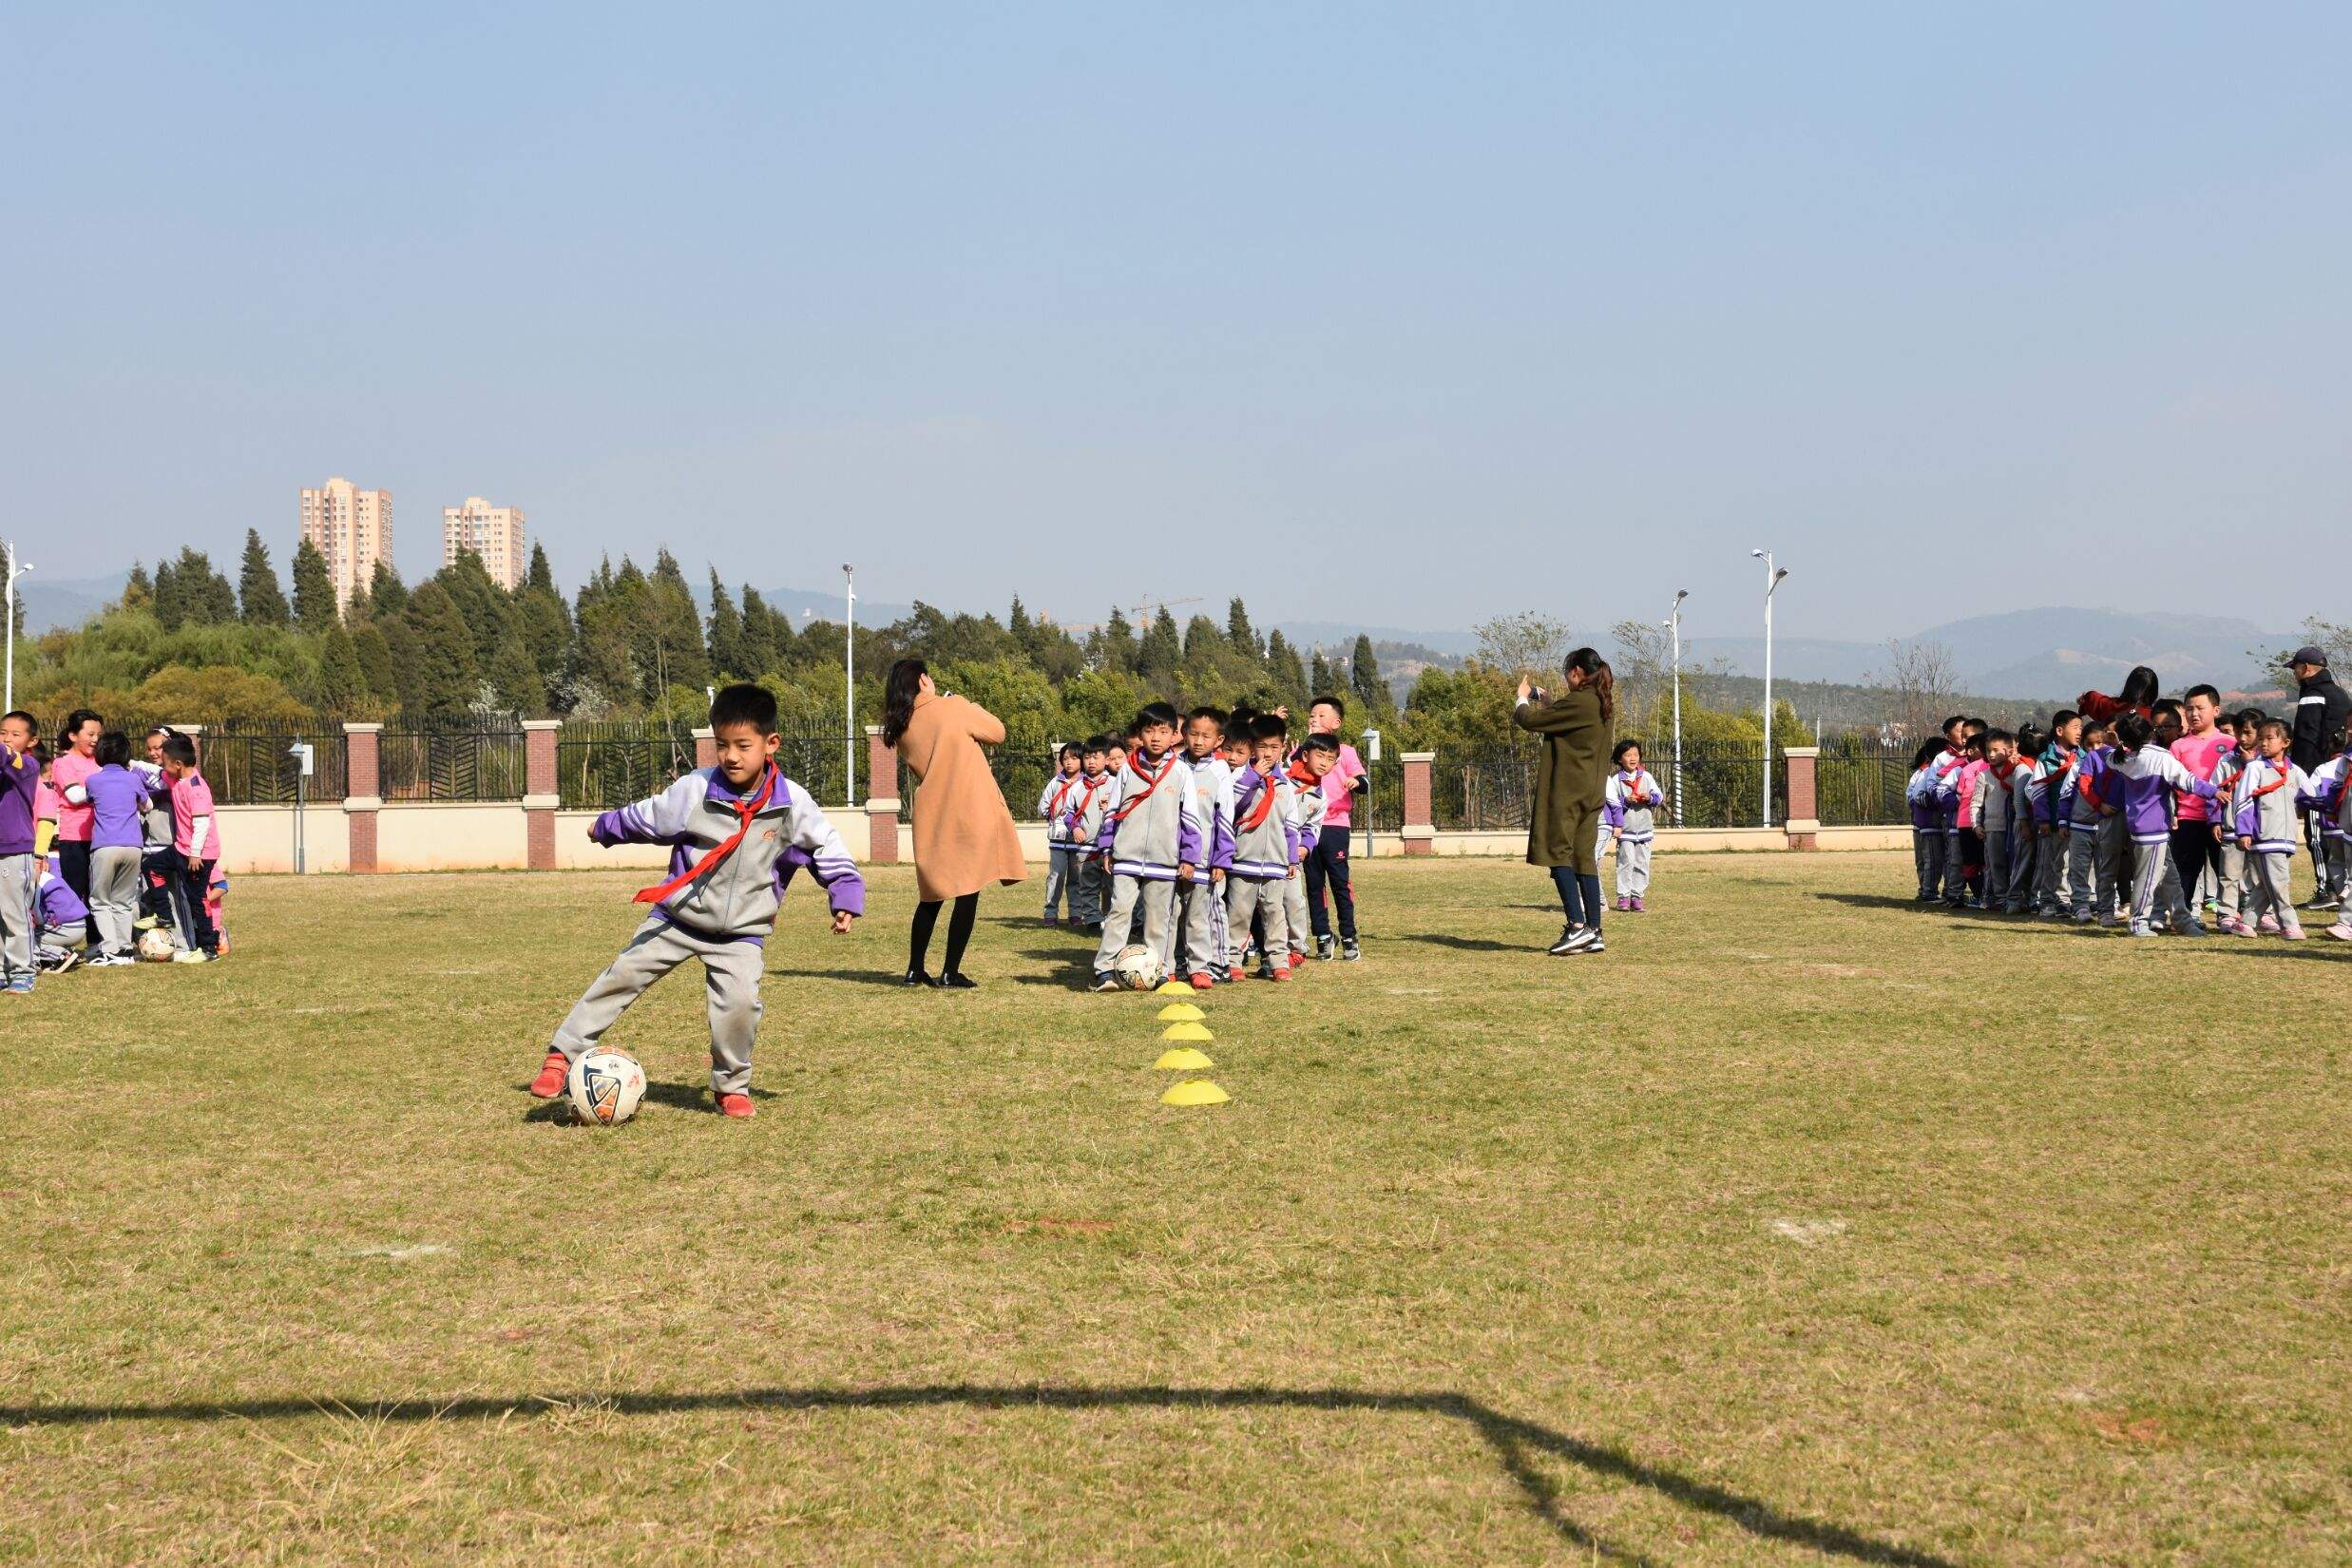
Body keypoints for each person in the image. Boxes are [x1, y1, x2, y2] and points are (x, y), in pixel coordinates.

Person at [526, 683, 863, 1119]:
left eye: (743, 745)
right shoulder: (695, 789)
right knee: (620, 976)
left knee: (739, 1007)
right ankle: (562, 1055)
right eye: (722, 745)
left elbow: (827, 849)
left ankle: (731, 1086)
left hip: (741, 935)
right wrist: (605, 828)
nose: (732, 756)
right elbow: (650, 815)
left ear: (771, 744)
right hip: (677, 918)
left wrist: (845, 897)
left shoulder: (792, 804)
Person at [884, 659, 1026, 988]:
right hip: (969, 808)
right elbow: (997, 731)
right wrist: (966, 702)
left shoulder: (902, 726)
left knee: (932, 895)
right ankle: (951, 969)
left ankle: (914, 969)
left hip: (932, 814)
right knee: (968, 891)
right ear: (923, 680)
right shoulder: (953, 707)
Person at [1088, 703, 1201, 991]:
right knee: (1119, 913)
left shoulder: (1182, 772)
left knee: (1157, 918)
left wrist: (1189, 856)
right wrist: (1106, 848)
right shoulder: (1127, 770)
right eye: (1149, 731)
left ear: (1175, 735)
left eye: (1163, 732)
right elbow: (1112, 811)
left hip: (1164, 860)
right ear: (1139, 735)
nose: (1155, 738)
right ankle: (1105, 971)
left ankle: (1159, 972)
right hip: (1126, 856)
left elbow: (1190, 818)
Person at [1515, 648, 1612, 956]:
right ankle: (1594, 931)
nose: (1566, 678)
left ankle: (1575, 925)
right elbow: (1563, 721)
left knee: (1557, 854)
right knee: (1583, 859)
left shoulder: (1581, 700)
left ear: (1578, 672)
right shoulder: (1600, 701)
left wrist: (1521, 698)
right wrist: (1547, 702)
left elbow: (1531, 721)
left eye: (1567, 673)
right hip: (1592, 794)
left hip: (1569, 792)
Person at [2107, 712, 2217, 937]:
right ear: (2150, 731)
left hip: (2141, 828)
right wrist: (2215, 792)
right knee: (2147, 880)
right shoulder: (2159, 757)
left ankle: (2183, 920)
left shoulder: (2124, 758)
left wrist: (2115, 744)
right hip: (2154, 829)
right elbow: (2187, 781)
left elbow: (2109, 758)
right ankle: (2138, 922)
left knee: (2171, 879)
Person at [1223, 714, 1295, 983]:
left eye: (1274, 747)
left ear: (1282, 749)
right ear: (1252, 747)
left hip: (1275, 862)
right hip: (1244, 859)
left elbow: (1290, 824)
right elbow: (1233, 807)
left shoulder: (1285, 783)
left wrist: (1290, 857)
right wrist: (1254, 777)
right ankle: (1232, 960)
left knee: (1275, 914)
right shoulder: (1239, 775)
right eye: (1262, 747)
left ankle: (1278, 961)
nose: (1268, 753)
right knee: (1238, 913)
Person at [1298, 696, 1366, 961]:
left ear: (1336, 723)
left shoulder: (1346, 752)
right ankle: (1324, 937)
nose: (1314, 719)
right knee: (1314, 884)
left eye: (1321, 715)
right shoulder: (1302, 752)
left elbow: (1364, 781)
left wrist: (1355, 781)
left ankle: (1349, 936)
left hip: (1336, 826)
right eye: (1312, 715)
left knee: (1339, 882)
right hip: (1307, 828)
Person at [2285, 645, 2351, 906]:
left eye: (2296, 668)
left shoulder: (2312, 695)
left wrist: (2299, 775)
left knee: (2316, 835)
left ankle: (2326, 891)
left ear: (2307, 668)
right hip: (2340, 772)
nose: (2295, 674)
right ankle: (2341, 888)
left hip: (2315, 775)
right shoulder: (2339, 694)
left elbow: (2306, 737)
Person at [1172, 707, 1233, 987]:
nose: (1198, 741)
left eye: (1205, 736)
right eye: (1193, 734)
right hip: (1169, 857)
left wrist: (1220, 859)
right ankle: (1169, 966)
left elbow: (1225, 817)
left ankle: (1200, 967)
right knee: (1170, 914)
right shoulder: (1173, 765)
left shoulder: (1220, 771)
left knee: (1198, 915)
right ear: (1184, 734)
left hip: (1203, 860)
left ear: (1218, 741)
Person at [2231, 719, 2308, 940]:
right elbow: (2244, 800)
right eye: (2261, 738)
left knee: (2268, 883)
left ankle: (2246, 922)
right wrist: (2244, 831)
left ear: (2285, 742)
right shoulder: (2255, 767)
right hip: (2264, 837)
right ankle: (2289, 924)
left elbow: (2311, 795)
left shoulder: (2294, 771)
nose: (2263, 743)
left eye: (2269, 738)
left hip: (2286, 838)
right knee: (2279, 882)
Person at [2168, 685, 2232, 924]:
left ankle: (2228, 914)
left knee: (2226, 869)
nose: (2194, 713)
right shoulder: (2178, 746)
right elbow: (2172, 784)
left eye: (2200, 708)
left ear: (2216, 710)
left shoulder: (2230, 743)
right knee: (2186, 870)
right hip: (2188, 817)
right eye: (2189, 709)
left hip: (2221, 817)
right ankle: (2182, 915)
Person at [84, 731, 147, 966]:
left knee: (100, 900)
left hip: (104, 846)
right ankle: (124, 950)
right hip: (133, 846)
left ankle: (109, 949)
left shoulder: (93, 780)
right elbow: (146, 805)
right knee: (123, 900)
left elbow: (90, 799)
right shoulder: (133, 779)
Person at [159, 733, 222, 964]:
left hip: (199, 855)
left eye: (165, 762)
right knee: (152, 866)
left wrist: (196, 854)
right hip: (181, 849)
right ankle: (164, 916)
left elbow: (202, 823)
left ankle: (209, 948)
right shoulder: (177, 780)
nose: (162, 766)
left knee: (198, 900)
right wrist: (130, 764)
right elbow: (153, 771)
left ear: (177, 764)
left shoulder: (196, 788)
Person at [48, 708, 102, 952]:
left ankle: (95, 942)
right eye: (90, 734)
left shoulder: (100, 761)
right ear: (72, 735)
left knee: (97, 892)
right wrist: (105, 783)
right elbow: (74, 796)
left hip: (102, 836)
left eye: (98, 734)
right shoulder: (63, 763)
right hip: (74, 838)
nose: (95, 739)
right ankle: (64, 944)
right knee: (74, 892)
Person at [2209, 712, 2262, 935]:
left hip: (2259, 831)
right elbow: (2214, 791)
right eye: (2239, 732)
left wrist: (2251, 765)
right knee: (2229, 875)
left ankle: (2260, 915)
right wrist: (2214, 820)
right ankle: (2227, 914)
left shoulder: (2265, 763)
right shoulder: (2226, 760)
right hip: (2230, 828)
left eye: (2248, 733)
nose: (2242, 738)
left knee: (2258, 877)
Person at [0, 711, 41, 994]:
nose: (8, 738)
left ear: (32, 740)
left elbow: (6, 757)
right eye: (3, 732)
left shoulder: (27, 763)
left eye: (16, 734)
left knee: (14, 912)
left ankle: (23, 971)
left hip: (15, 847)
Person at [1603, 739, 1663, 912]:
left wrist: (1649, 799)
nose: (1633, 758)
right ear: (1619, 758)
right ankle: (1623, 896)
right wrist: (1626, 801)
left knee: (1642, 863)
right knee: (1625, 862)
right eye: (1628, 755)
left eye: (1636, 754)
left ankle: (1637, 897)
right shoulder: (1615, 780)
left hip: (1645, 830)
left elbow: (1658, 797)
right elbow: (1612, 803)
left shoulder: (1646, 776)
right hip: (1626, 831)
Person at [1065, 736, 1116, 935]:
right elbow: (1068, 813)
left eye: (1096, 757)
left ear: (1106, 759)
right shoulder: (1076, 787)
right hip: (1085, 848)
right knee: (1087, 885)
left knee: (1113, 887)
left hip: (1110, 848)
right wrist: (1075, 828)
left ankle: (1114, 921)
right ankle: (1093, 919)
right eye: (1087, 757)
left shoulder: (1116, 784)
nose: (1091, 762)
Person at [1038, 745, 1083, 926]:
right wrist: (1054, 814)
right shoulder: (1055, 783)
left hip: (1078, 840)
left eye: (1073, 758)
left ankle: (1076, 914)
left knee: (1076, 878)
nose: (1069, 762)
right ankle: (1050, 913)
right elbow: (1042, 807)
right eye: (1065, 758)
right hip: (1057, 840)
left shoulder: (1086, 783)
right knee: (1056, 876)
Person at [1904, 740, 1945, 901]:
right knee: (1931, 860)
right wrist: (1938, 801)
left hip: (1926, 822)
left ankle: (1927, 890)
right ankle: (1928, 892)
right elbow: (1915, 796)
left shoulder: (1926, 772)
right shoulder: (1926, 773)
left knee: (1930, 860)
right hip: (1929, 823)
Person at [2075, 666, 2161, 726]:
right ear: (2153, 691)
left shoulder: (2109, 705)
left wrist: (2084, 699)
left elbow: (2092, 698)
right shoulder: (2155, 716)